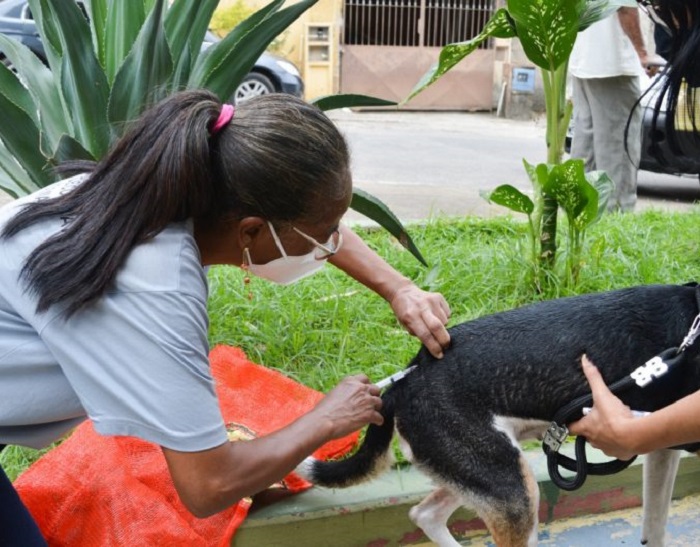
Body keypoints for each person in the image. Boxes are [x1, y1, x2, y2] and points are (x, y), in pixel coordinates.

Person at [0, 90, 451, 544]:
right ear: (250, 230)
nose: (331, 243)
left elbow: (305, 215)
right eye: (324, 236)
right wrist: (326, 420)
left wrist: (399, 288)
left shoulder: (155, 191)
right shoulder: (154, 288)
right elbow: (208, 483)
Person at [570, 0, 700, 459]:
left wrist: (640, 434)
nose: (662, 22)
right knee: (608, 160)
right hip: (605, 66)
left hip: (588, 66)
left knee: (599, 160)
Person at [569, 5, 658, 212]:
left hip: (583, 61)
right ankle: (616, 216)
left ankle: (580, 219)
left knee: (586, 150)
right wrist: (642, 54)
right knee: (618, 149)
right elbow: (625, 7)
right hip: (612, 64)